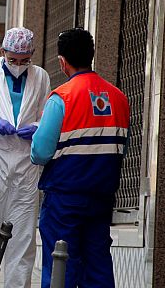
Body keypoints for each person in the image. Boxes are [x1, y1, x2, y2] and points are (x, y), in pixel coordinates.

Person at [31, 28, 129, 288]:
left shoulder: (61, 98)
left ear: (62, 62)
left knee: (61, 265)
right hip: (102, 197)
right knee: (97, 264)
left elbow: (40, 152)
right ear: (92, 55)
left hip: (64, 198)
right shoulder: (119, 99)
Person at [0, 27, 51, 288]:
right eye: (13, 60)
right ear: (2, 52)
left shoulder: (41, 77)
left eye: (24, 61)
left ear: (32, 56)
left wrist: (36, 128)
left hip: (25, 161)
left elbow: (46, 116)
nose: (18, 66)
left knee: (23, 236)